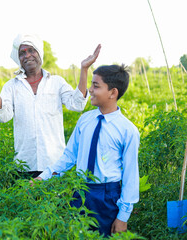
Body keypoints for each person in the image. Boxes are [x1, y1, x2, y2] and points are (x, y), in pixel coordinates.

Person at [0, 33, 101, 178]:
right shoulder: (12, 86)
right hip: (24, 165)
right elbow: (3, 116)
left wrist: (84, 69)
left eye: (31, 50)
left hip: (54, 164)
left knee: (54, 200)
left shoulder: (56, 82)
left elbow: (77, 104)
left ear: (39, 53)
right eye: (22, 53)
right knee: (27, 200)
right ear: (19, 59)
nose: (27, 55)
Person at [34, 64, 140, 236]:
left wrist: (123, 217)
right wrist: (43, 177)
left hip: (107, 196)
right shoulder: (85, 120)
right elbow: (69, 156)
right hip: (80, 191)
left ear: (113, 93)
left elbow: (130, 175)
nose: (89, 90)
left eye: (96, 86)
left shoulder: (127, 130)